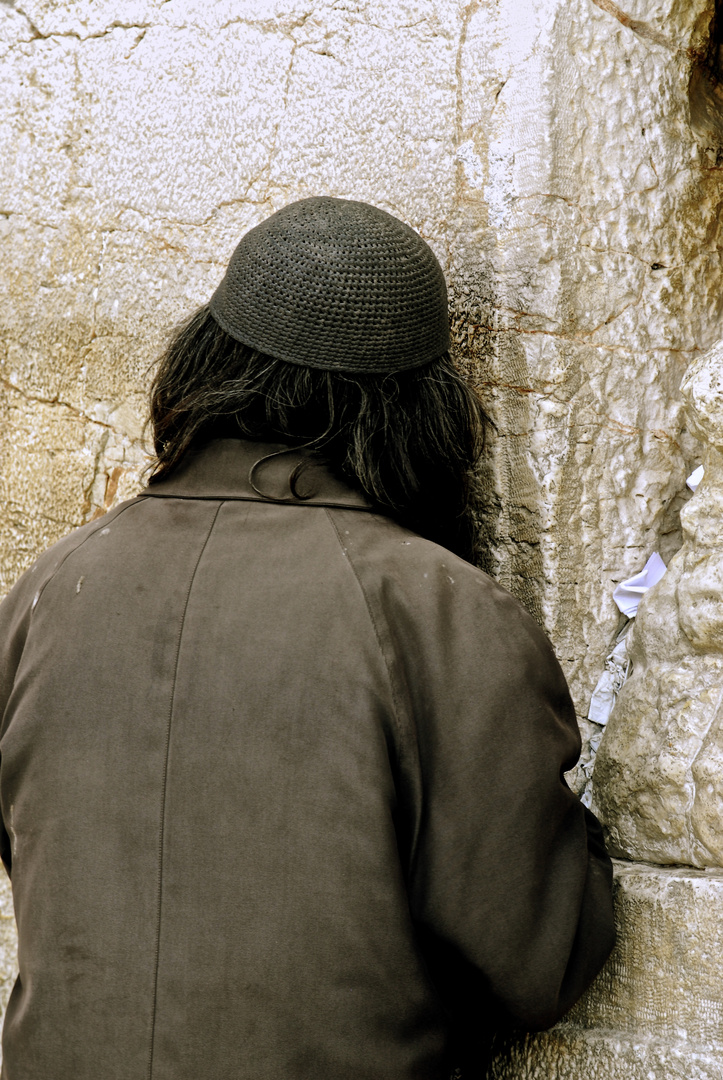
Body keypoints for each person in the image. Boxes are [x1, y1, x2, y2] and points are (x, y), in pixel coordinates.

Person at [0, 197, 614, 1079]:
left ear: (201, 364)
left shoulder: (49, 585)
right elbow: (538, 954)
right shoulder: (433, 607)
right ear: (419, 417)